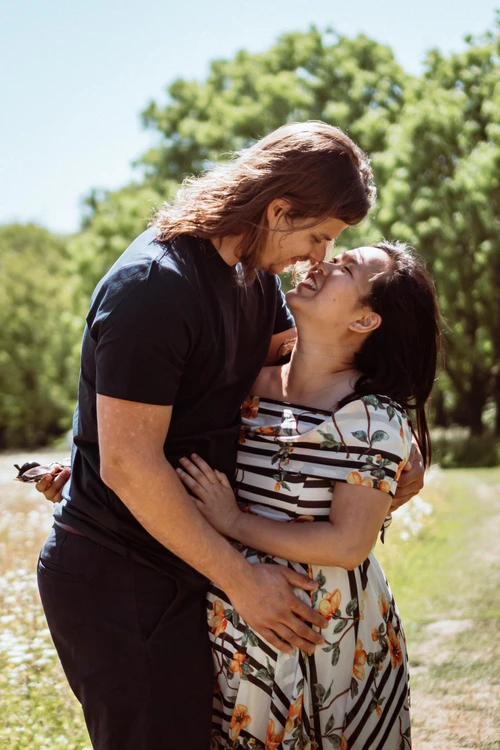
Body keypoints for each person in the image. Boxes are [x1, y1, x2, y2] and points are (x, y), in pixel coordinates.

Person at [36, 122, 424, 750]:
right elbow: (130, 464)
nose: (320, 255)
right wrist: (244, 579)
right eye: (319, 234)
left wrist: (393, 450)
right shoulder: (155, 285)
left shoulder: (251, 280)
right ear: (278, 209)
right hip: (121, 575)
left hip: (189, 565)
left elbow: (319, 362)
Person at [175, 241, 440, 749]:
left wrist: (232, 523)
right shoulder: (247, 384)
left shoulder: (373, 418)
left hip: (328, 637)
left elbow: (347, 544)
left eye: (345, 268)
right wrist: (81, 477)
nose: (322, 263)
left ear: (365, 321)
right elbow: (164, 447)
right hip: (233, 624)